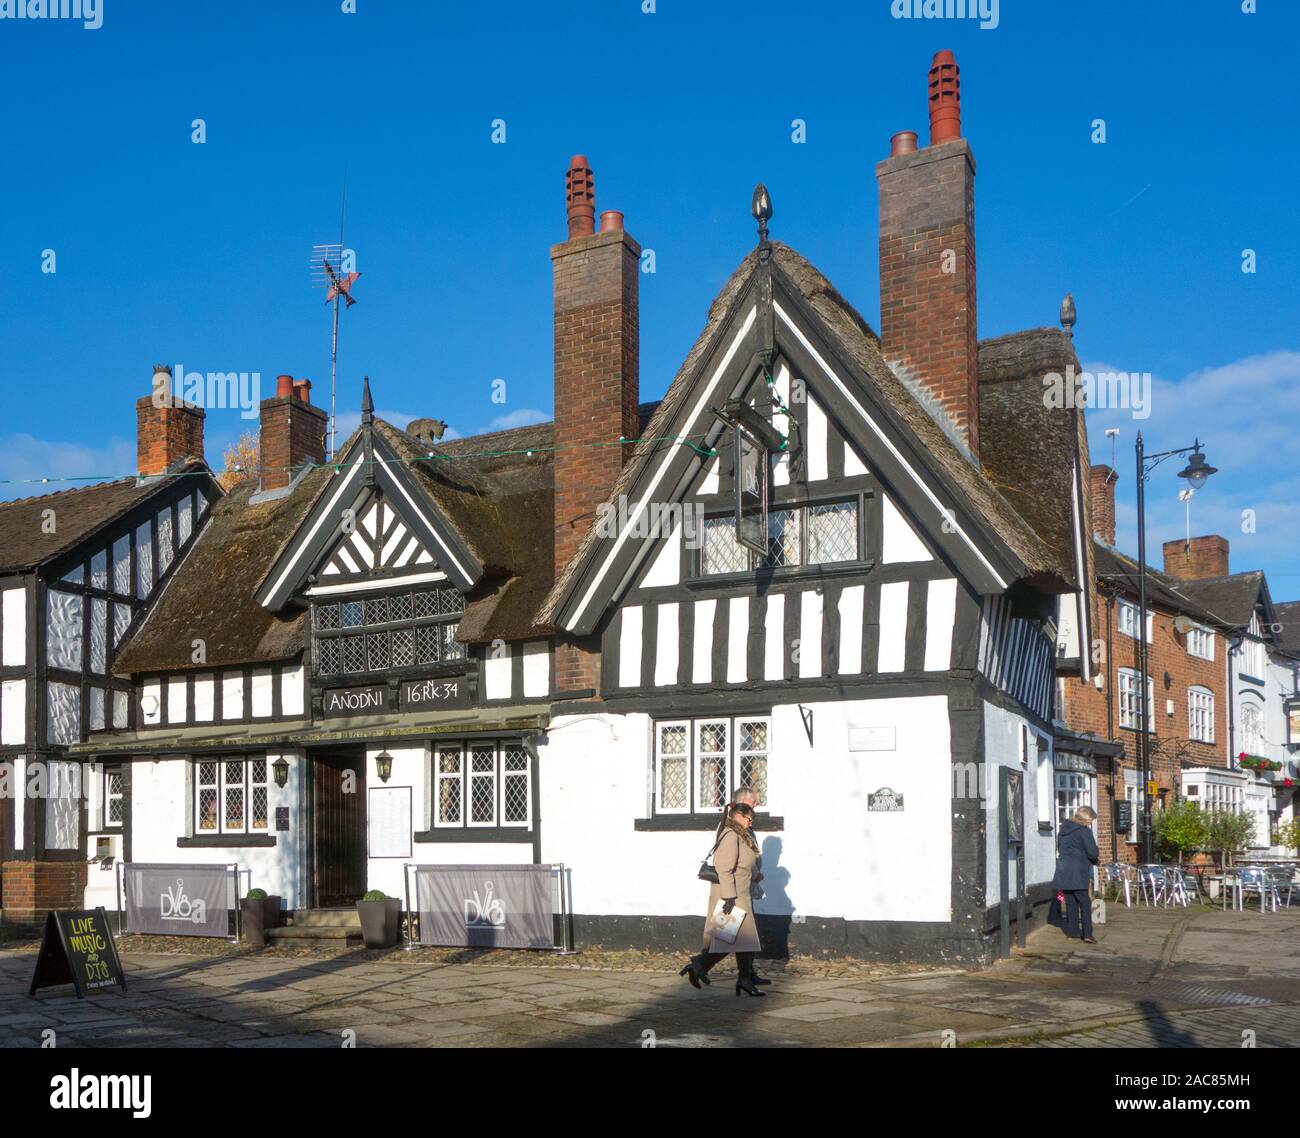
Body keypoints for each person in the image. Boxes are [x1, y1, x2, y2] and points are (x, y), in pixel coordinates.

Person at [679, 802, 767, 996]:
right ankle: (700, 965)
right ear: (737, 816)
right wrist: (728, 897)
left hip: (740, 893)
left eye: (752, 820)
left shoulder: (741, 835)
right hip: (731, 895)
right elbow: (723, 867)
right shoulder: (730, 834)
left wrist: (755, 873)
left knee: (743, 941)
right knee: (728, 940)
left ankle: (742, 978)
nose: (750, 823)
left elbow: (744, 861)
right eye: (748, 819)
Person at [1052, 805, 1100, 943]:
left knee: (1070, 902)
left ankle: (1072, 932)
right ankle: (1087, 934)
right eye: (1091, 820)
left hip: (1064, 870)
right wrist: (1094, 857)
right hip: (1078, 871)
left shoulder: (1063, 830)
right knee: (1085, 902)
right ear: (1086, 818)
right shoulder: (1084, 831)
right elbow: (1092, 852)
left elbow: (1060, 848)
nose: (1091, 823)